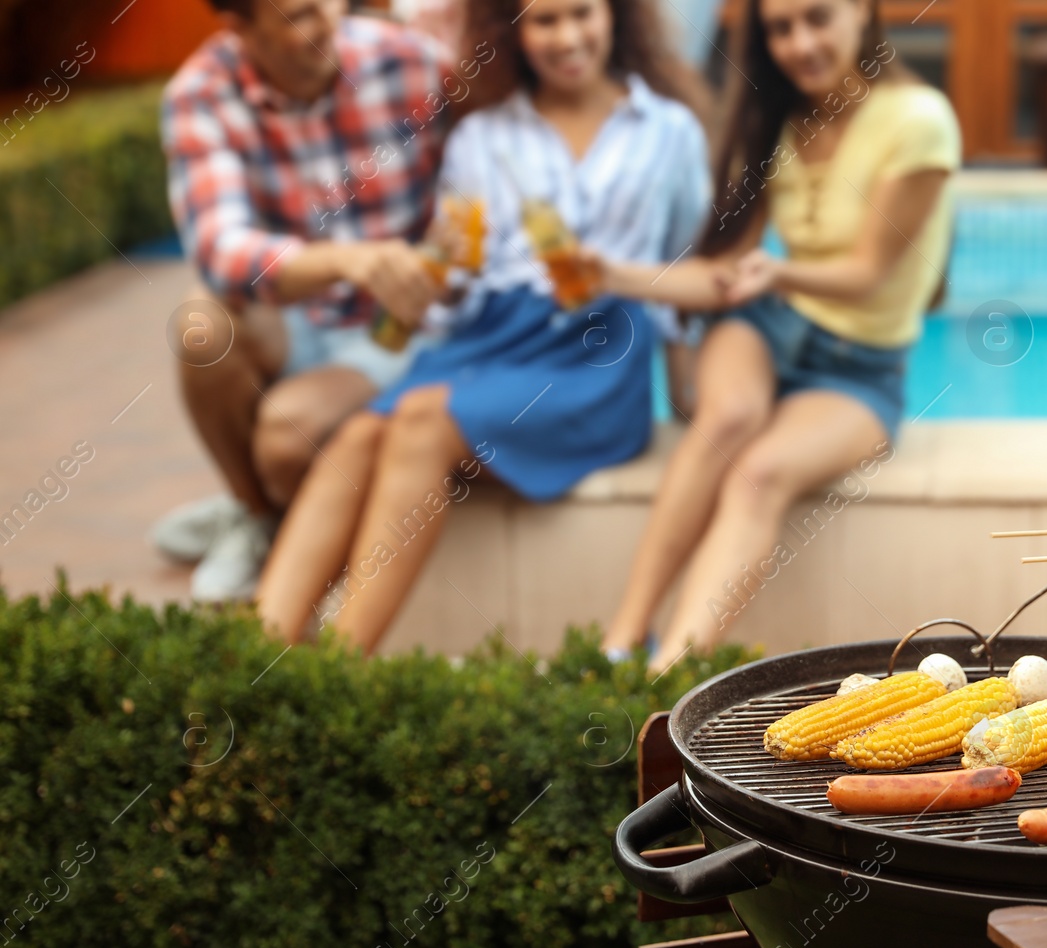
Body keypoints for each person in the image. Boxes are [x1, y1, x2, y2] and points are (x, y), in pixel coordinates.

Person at [253, 0, 710, 653]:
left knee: (417, 422)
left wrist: (686, 392)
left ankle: (335, 670)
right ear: (514, 31)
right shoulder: (482, 138)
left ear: (617, 16)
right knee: (357, 434)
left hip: (599, 351)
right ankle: (255, 659)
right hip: (494, 333)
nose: (567, 36)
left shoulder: (669, 132)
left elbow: (680, 270)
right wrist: (431, 283)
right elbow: (461, 281)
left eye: (582, 13)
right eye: (544, 20)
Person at [597, 0, 959, 672]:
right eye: (780, 29)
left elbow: (872, 273)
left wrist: (776, 271)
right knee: (727, 418)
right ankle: (618, 640)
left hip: (860, 366)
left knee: (759, 474)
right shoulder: (783, 118)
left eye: (817, 18)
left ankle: (666, 675)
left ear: (861, 12)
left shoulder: (919, 120)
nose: (799, 43)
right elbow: (723, 276)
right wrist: (605, 273)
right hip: (769, 326)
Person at [157, 0, 459, 601]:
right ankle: (254, 515)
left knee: (285, 442)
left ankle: (257, 513)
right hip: (293, 317)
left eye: (329, 4)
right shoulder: (201, 91)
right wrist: (350, 262)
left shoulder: (413, 62)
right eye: (297, 15)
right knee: (200, 324)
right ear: (239, 24)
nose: (325, 25)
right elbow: (219, 247)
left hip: (396, 329)